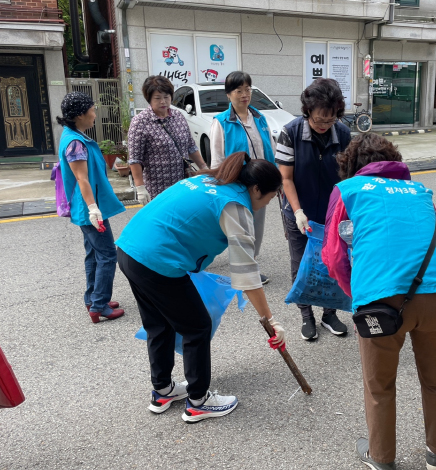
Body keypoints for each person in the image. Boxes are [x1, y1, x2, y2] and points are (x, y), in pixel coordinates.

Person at [322, 133, 436, 470]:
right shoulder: (419, 191)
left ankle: (382, 459)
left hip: (382, 299)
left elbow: (333, 256)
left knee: (379, 385)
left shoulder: (348, 191)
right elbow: (430, 235)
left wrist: (358, 295)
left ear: (352, 167)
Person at [115, 152, 286, 423]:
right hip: (157, 260)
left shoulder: (208, 180)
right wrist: (270, 319)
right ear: (255, 189)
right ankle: (198, 401)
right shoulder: (235, 205)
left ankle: (163, 391)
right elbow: (246, 272)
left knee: (159, 323)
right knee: (197, 327)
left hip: (130, 250)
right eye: (269, 198)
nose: (265, 205)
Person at [276, 78, 352, 341]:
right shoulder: (291, 132)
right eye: (319, 119)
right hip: (299, 213)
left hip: (332, 214)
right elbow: (286, 178)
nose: (324, 125)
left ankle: (330, 314)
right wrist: (297, 211)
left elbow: (347, 177)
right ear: (307, 110)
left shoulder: (342, 134)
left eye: (330, 120)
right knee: (302, 266)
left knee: (334, 263)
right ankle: (306, 316)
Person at [56, 92, 126, 324]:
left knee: (94, 255)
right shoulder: (75, 142)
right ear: (79, 115)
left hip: (85, 206)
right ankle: (99, 305)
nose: (95, 114)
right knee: (107, 255)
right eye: (92, 110)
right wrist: (94, 209)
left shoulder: (75, 136)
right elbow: (81, 178)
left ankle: (93, 298)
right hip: (89, 208)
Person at [209, 71, 276, 285]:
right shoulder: (221, 122)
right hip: (237, 183)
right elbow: (218, 158)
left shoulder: (260, 117)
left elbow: (270, 150)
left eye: (248, 89)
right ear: (229, 95)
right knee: (241, 227)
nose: (244, 94)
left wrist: (276, 179)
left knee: (257, 225)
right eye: (239, 91)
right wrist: (220, 185)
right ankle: (242, 271)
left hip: (261, 181)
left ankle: (251, 265)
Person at [128, 75, 208, 205]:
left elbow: (191, 146)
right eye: (157, 98)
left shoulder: (178, 116)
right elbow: (135, 159)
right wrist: (140, 188)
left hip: (182, 184)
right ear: (149, 99)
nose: (163, 102)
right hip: (156, 188)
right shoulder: (140, 122)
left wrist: (204, 168)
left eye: (166, 97)